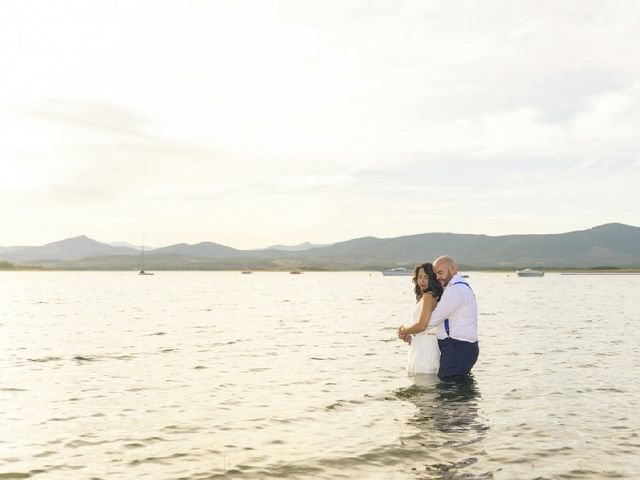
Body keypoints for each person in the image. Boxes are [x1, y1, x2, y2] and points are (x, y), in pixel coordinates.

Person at [426, 255, 479, 379]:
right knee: (455, 391)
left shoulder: (456, 289)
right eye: (436, 274)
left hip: (457, 348)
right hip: (459, 347)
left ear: (453, 269)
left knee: (448, 392)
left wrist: (410, 331)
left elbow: (432, 320)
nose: (438, 277)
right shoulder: (458, 287)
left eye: (440, 272)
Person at [398, 263, 443, 375]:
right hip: (420, 345)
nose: (422, 280)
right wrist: (409, 336)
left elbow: (422, 325)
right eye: (420, 277)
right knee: (420, 388)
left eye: (426, 277)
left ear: (432, 279)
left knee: (425, 388)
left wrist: (403, 330)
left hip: (425, 348)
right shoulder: (425, 297)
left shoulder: (429, 296)